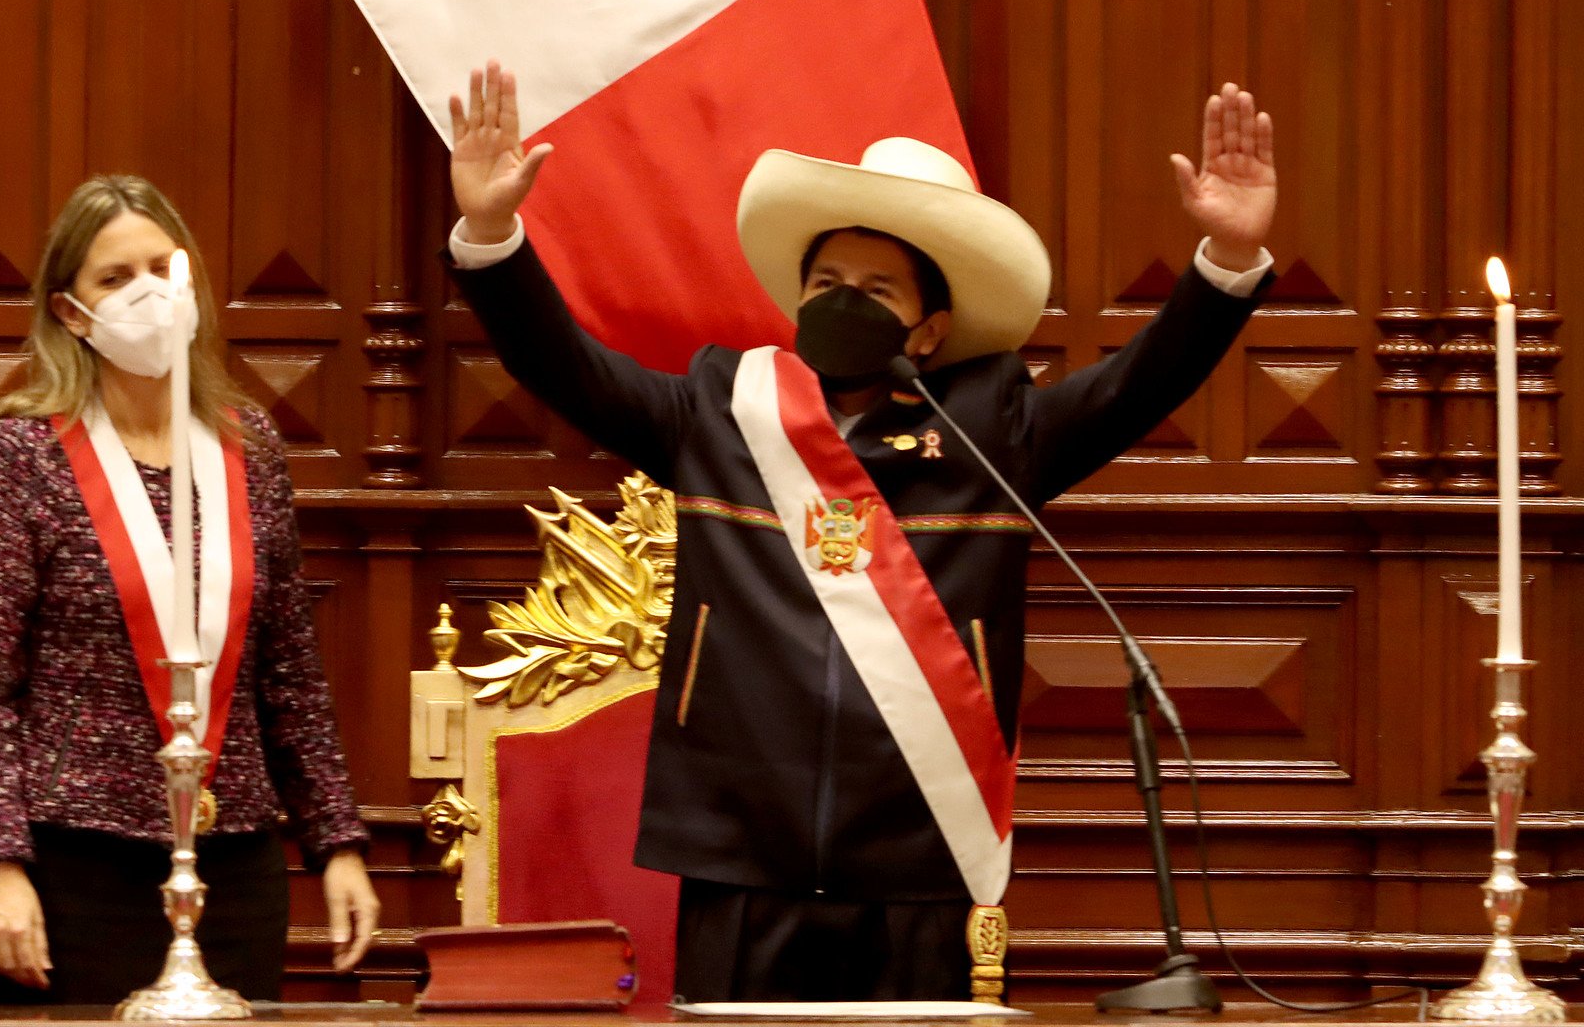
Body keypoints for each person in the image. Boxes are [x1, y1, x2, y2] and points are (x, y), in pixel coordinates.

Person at [443, 61, 1279, 1001]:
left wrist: (1228, 268)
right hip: (737, 846)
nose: (844, 300)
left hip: (918, 850)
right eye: (827, 280)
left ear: (929, 330)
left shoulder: (994, 429)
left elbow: (1143, 382)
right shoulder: (720, 408)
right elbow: (564, 367)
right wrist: (491, 236)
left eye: (877, 289)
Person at [0, 175, 379, 1005]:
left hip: (233, 856)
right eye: (114, 278)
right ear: (71, 313)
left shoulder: (252, 446)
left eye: (162, 267)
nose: (147, 293)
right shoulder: (26, 453)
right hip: (70, 862)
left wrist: (338, 844)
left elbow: (290, 673)